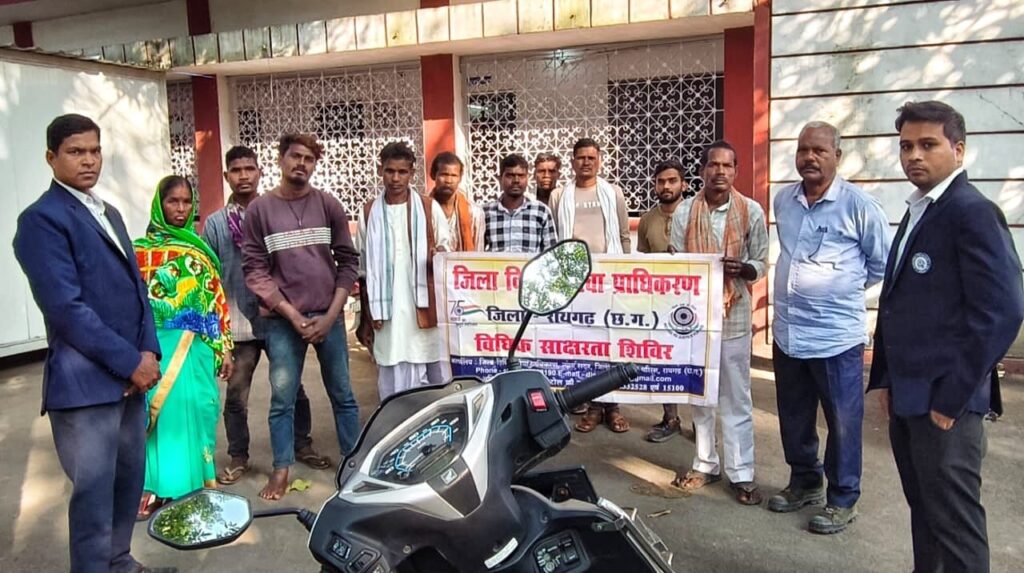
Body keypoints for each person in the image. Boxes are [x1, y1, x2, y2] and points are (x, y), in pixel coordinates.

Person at [867, 101, 1024, 571]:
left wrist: (951, 399)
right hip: (911, 396)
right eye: (906, 146)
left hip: (946, 405)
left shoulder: (972, 212)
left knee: (956, 528)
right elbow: (904, 303)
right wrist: (890, 380)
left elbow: (1002, 311)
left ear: (958, 150)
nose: (914, 155)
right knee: (927, 514)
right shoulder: (921, 209)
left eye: (927, 144)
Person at [13, 114, 169, 572]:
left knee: (128, 482)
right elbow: (67, 309)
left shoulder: (108, 212)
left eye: (95, 150)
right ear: (51, 158)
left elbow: (138, 291)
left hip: (130, 381)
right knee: (94, 497)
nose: (88, 160)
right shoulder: (41, 220)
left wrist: (149, 352)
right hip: (86, 386)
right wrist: (129, 362)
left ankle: (119, 561)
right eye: (75, 152)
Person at [768, 122, 891, 533]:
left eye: (819, 150)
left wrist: (838, 291)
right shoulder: (784, 200)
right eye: (803, 149)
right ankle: (805, 482)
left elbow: (881, 264)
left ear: (837, 155)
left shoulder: (860, 206)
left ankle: (842, 498)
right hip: (788, 333)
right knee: (794, 416)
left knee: (843, 423)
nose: (809, 157)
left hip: (836, 338)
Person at [242, 133, 361, 501]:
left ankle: (354, 464)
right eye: (295, 156)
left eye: (309, 159)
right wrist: (293, 315)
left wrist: (331, 315)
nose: (301, 164)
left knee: (343, 394)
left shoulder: (328, 205)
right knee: (282, 399)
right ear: (280, 159)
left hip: (329, 317)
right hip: (283, 322)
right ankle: (281, 469)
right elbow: (255, 270)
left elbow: (348, 262)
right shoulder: (259, 210)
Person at [202, 146, 330, 485]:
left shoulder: (276, 212)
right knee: (236, 395)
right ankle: (238, 456)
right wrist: (217, 333)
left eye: (249, 169)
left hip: (278, 319)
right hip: (238, 323)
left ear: (260, 172)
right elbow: (209, 279)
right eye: (236, 170)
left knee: (292, 388)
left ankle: (302, 444)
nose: (243, 175)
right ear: (227, 176)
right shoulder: (215, 224)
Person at [668, 140, 769, 506]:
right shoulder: (684, 212)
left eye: (727, 165)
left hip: (734, 315)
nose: (720, 171)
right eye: (714, 165)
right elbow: (675, 261)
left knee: (736, 397)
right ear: (702, 170)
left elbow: (761, 262)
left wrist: (742, 269)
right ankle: (705, 463)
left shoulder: (751, 211)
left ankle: (742, 473)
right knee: (701, 395)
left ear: (736, 171)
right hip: (695, 318)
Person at [133, 175, 235, 518]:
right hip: (155, 349)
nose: (180, 208)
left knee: (199, 411)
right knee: (160, 419)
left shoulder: (199, 250)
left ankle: (195, 484)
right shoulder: (139, 251)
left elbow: (215, 302)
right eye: (172, 201)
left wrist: (224, 348)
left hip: (196, 349)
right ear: (158, 205)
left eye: (186, 202)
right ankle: (155, 488)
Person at [357, 141, 451, 399]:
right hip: (387, 313)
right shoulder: (369, 212)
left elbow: (446, 250)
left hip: (424, 308)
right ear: (380, 171)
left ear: (412, 173)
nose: (395, 178)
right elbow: (363, 269)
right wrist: (365, 316)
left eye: (402, 172)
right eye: (390, 171)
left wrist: (438, 255)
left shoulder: (429, 208)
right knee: (393, 366)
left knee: (433, 368)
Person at [550, 138, 632, 430]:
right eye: (580, 157)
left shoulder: (613, 193)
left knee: (611, 342)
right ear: (572, 162)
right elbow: (555, 239)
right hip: (575, 279)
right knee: (585, 343)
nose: (586, 162)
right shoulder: (559, 195)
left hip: (609, 280)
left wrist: (624, 275)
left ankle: (613, 407)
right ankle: (593, 406)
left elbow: (624, 236)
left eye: (591, 157)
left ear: (599, 161)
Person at [638, 159, 689, 443]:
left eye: (672, 181)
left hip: (692, 301)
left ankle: (704, 428)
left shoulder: (696, 213)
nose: (666, 186)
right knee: (663, 358)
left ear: (684, 184)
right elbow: (644, 260)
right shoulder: (647, 219)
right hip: (659, 300)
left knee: (695, 360)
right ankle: (671, 418)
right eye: (660, 181)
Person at [482, 153, 557, 253]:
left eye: (521, 176)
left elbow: (552, 252)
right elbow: (476, 252)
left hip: (532, 264)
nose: (516, 180)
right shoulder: (485, 212)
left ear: (527, 178)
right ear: (500, 179)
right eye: (510, 176)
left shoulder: (541, 211)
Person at [428, 151, 484, 252]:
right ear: (433, 175)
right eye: (444, 174)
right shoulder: (424, 209)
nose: (448, 181)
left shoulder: (474, 212)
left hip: (466, 262)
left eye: (454, 176)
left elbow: (478, 252)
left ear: (460, 179)